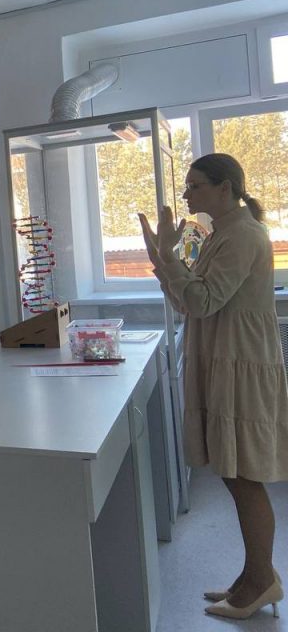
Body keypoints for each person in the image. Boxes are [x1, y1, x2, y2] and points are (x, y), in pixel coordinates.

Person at [139, 153, 288, 619]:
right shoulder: (219, 234)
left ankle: (262, 582)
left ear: (225, 188)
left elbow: (203, 301)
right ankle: (255, 575)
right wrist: (161, 261)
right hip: (224, 360)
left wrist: (168, 259)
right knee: (233, 471)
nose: (186, 194)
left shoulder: (243, 235)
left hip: (240, 364)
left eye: (195, 185)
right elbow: (189, 302)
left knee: (243, 477)